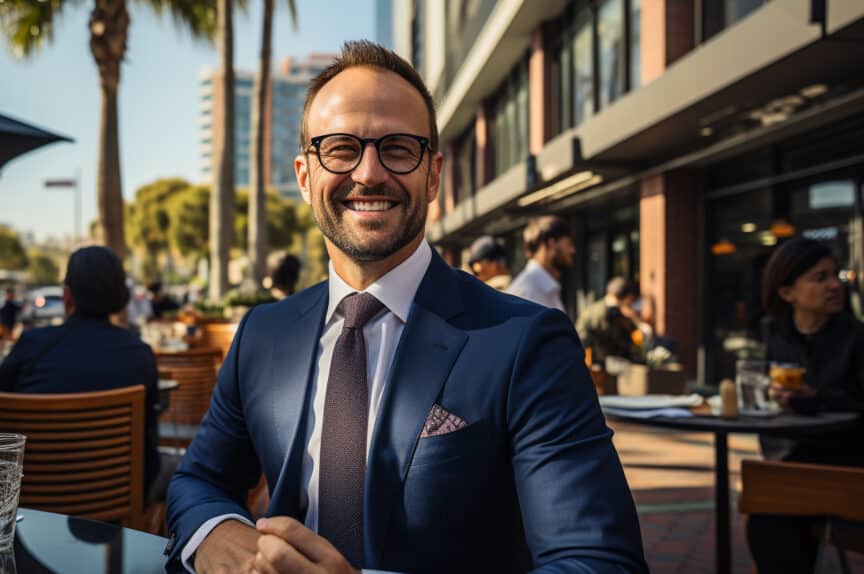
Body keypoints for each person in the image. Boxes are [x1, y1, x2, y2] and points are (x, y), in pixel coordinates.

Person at [165, 41, 645, 574]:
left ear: (433, 175)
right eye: (341, 148)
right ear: (305, 177)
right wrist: (216, 539)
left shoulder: (527, 341)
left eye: (397, 148)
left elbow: (598, 561)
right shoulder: (262, 333)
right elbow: (199, 480)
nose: (369, 174)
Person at [0, 246, 167, 499]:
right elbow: (148, 439)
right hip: (118, 497)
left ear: (67, 295)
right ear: (121, 297)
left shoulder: (35, 344)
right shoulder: (140, 354)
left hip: (30, 499)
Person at [746, 238, 864, 574]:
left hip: (847, 462)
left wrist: (817, 399)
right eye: (820, 277)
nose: (834, 285)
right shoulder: (776, 333)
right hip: (789, 459)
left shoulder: (856, 337)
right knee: (767, 517)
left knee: (771, 504)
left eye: (835, 275)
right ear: (787, 293)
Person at [506, 215, 575, 311]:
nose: (573, 251)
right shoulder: (526, 292)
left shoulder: (542, 287)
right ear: (552, 244)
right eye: (569, 244)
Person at [576, 277, 642, 365]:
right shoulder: (615, 314)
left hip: (593, 365)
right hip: (601, 366)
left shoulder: (591, 310)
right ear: (628, 297)